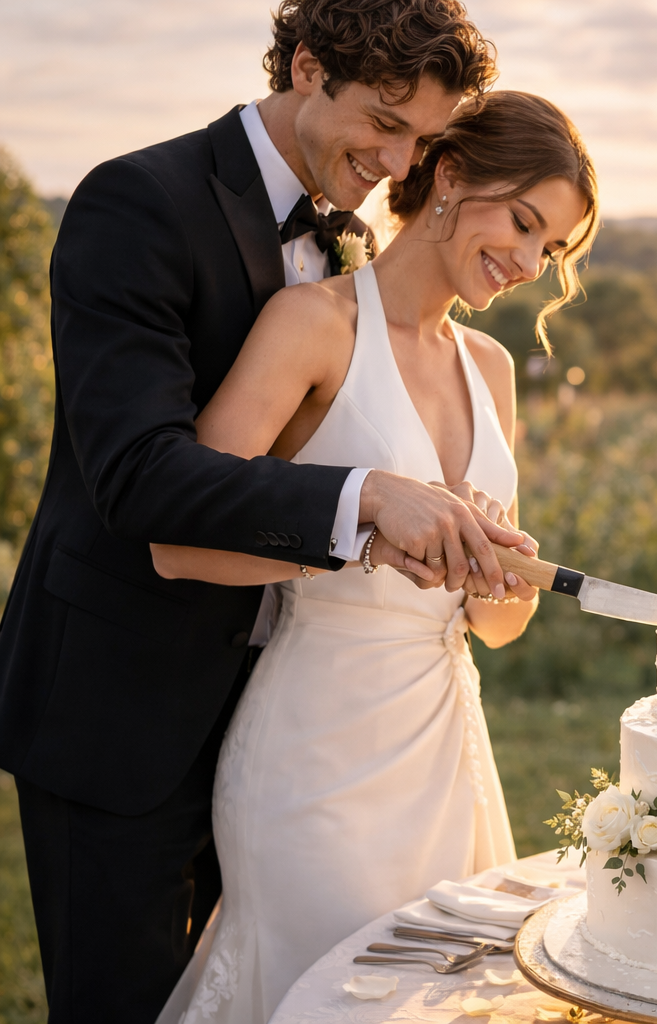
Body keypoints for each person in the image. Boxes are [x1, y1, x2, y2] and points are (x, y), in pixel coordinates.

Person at [0, 5, 520, 1022]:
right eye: (383, 121)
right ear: (308, 68)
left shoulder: (355, 236)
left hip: (288, 721)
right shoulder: (138, 201)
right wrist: (365, 497)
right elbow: (140, 473)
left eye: (423, 139)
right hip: (123, 704)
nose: (399, 159)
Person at [152, 90, 598, 1023]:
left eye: (548, 249)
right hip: (315, 758)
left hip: (446, 754)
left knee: (451, 999)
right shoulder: (312, 323)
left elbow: (502, 627)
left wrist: (498, 557)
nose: (527, 264)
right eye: (522, 223)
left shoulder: (492, 369)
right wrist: (367, 541)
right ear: (450, 175)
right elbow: (181, 544)